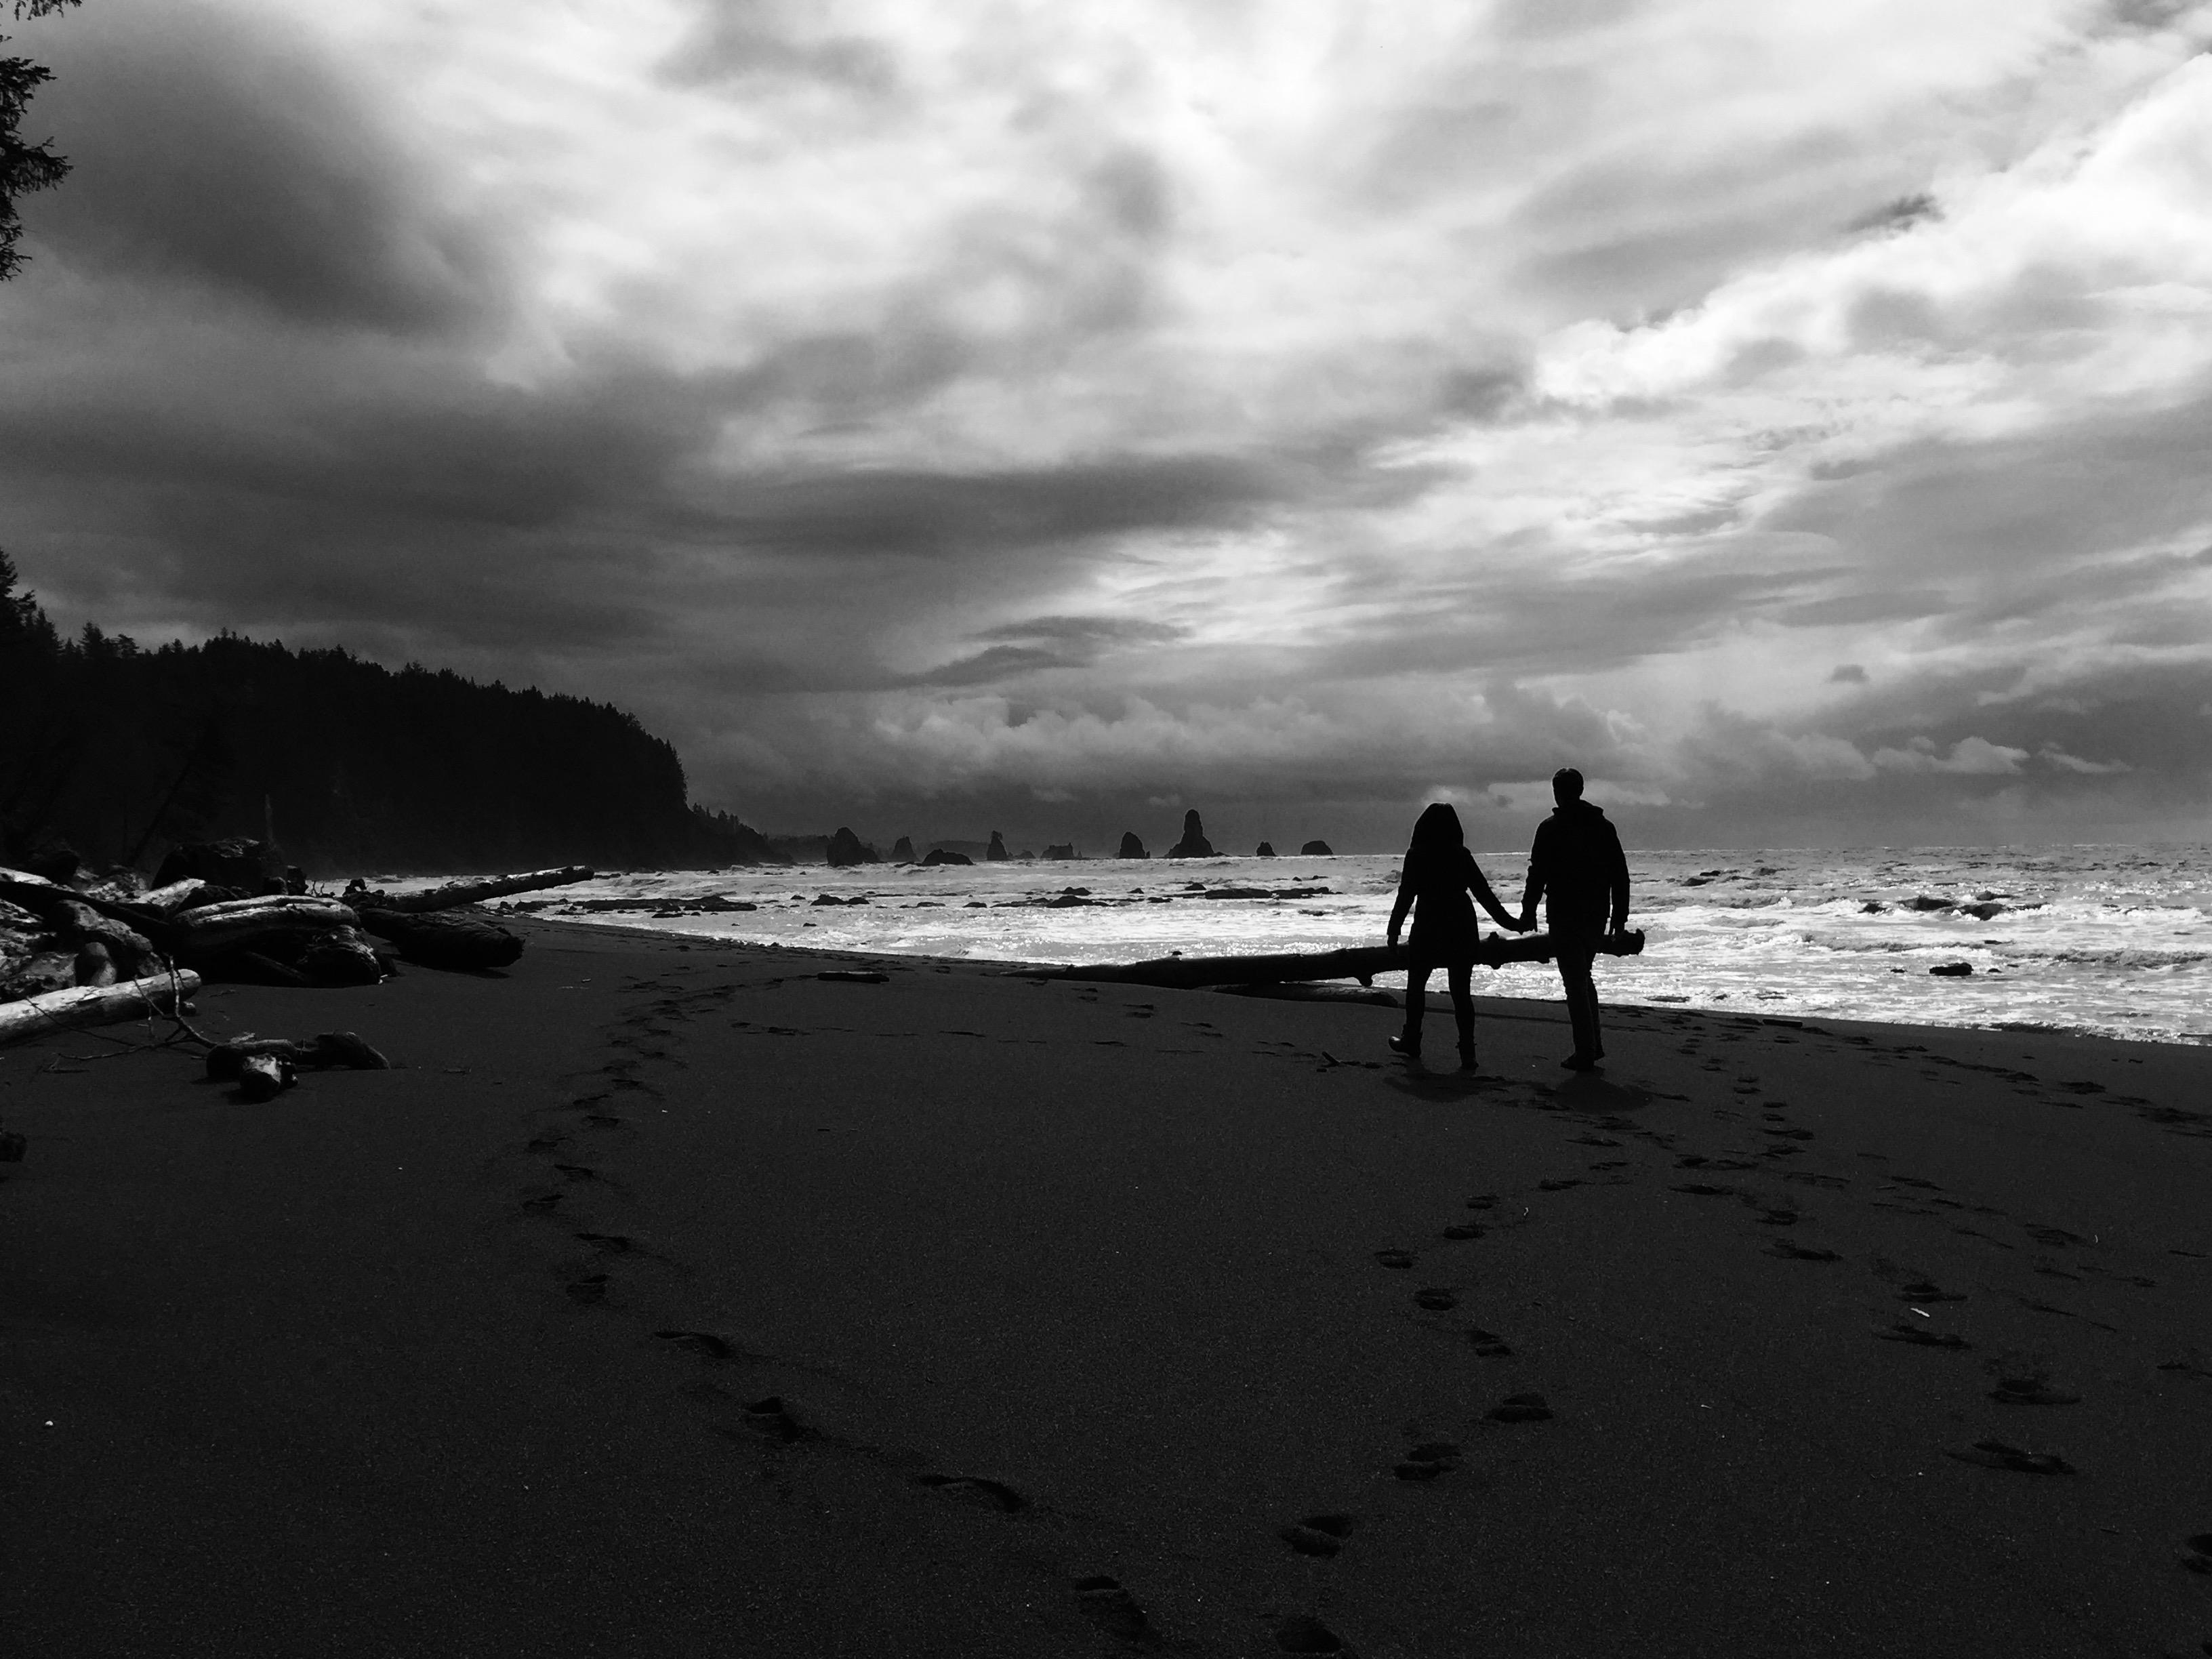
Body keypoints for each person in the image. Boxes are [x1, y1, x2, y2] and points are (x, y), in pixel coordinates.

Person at [1385, 802, 1524, 1069]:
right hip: (1461, 922)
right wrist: (1511, 923)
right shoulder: (1462, 855)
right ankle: (1468, 1052)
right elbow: (1484, 894)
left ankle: (1412, 1039)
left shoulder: (1416, 855)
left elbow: (1405, 895)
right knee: (1461, 991)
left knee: (1416, 983)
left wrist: (1394, 929)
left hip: (1429, 921)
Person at [1519, 767, 1631, 1070]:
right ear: (1581, 790)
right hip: (1596, 912)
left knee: (1575, 982)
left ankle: (1586, 1051)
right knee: (1583, 977)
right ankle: (1593, 1046)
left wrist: (1529, 909)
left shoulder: (1550, 828)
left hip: (1565, 912)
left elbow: (1537, 873)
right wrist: (1620, 914)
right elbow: (1620, 874)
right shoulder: (1603, 826)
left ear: (1557, 792)